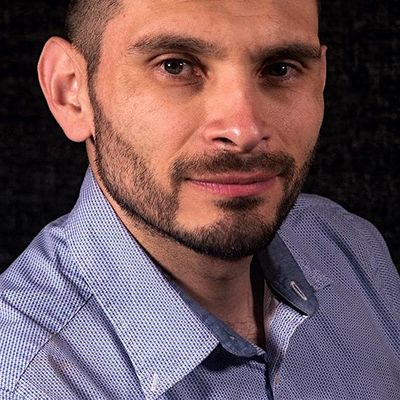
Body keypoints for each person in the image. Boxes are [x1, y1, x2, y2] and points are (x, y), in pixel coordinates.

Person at [0, 0, 399, 399]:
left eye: (280, 68)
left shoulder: (350, 247)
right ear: (71, 91)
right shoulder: (25, 380)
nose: (244, 131)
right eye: (175, 66)